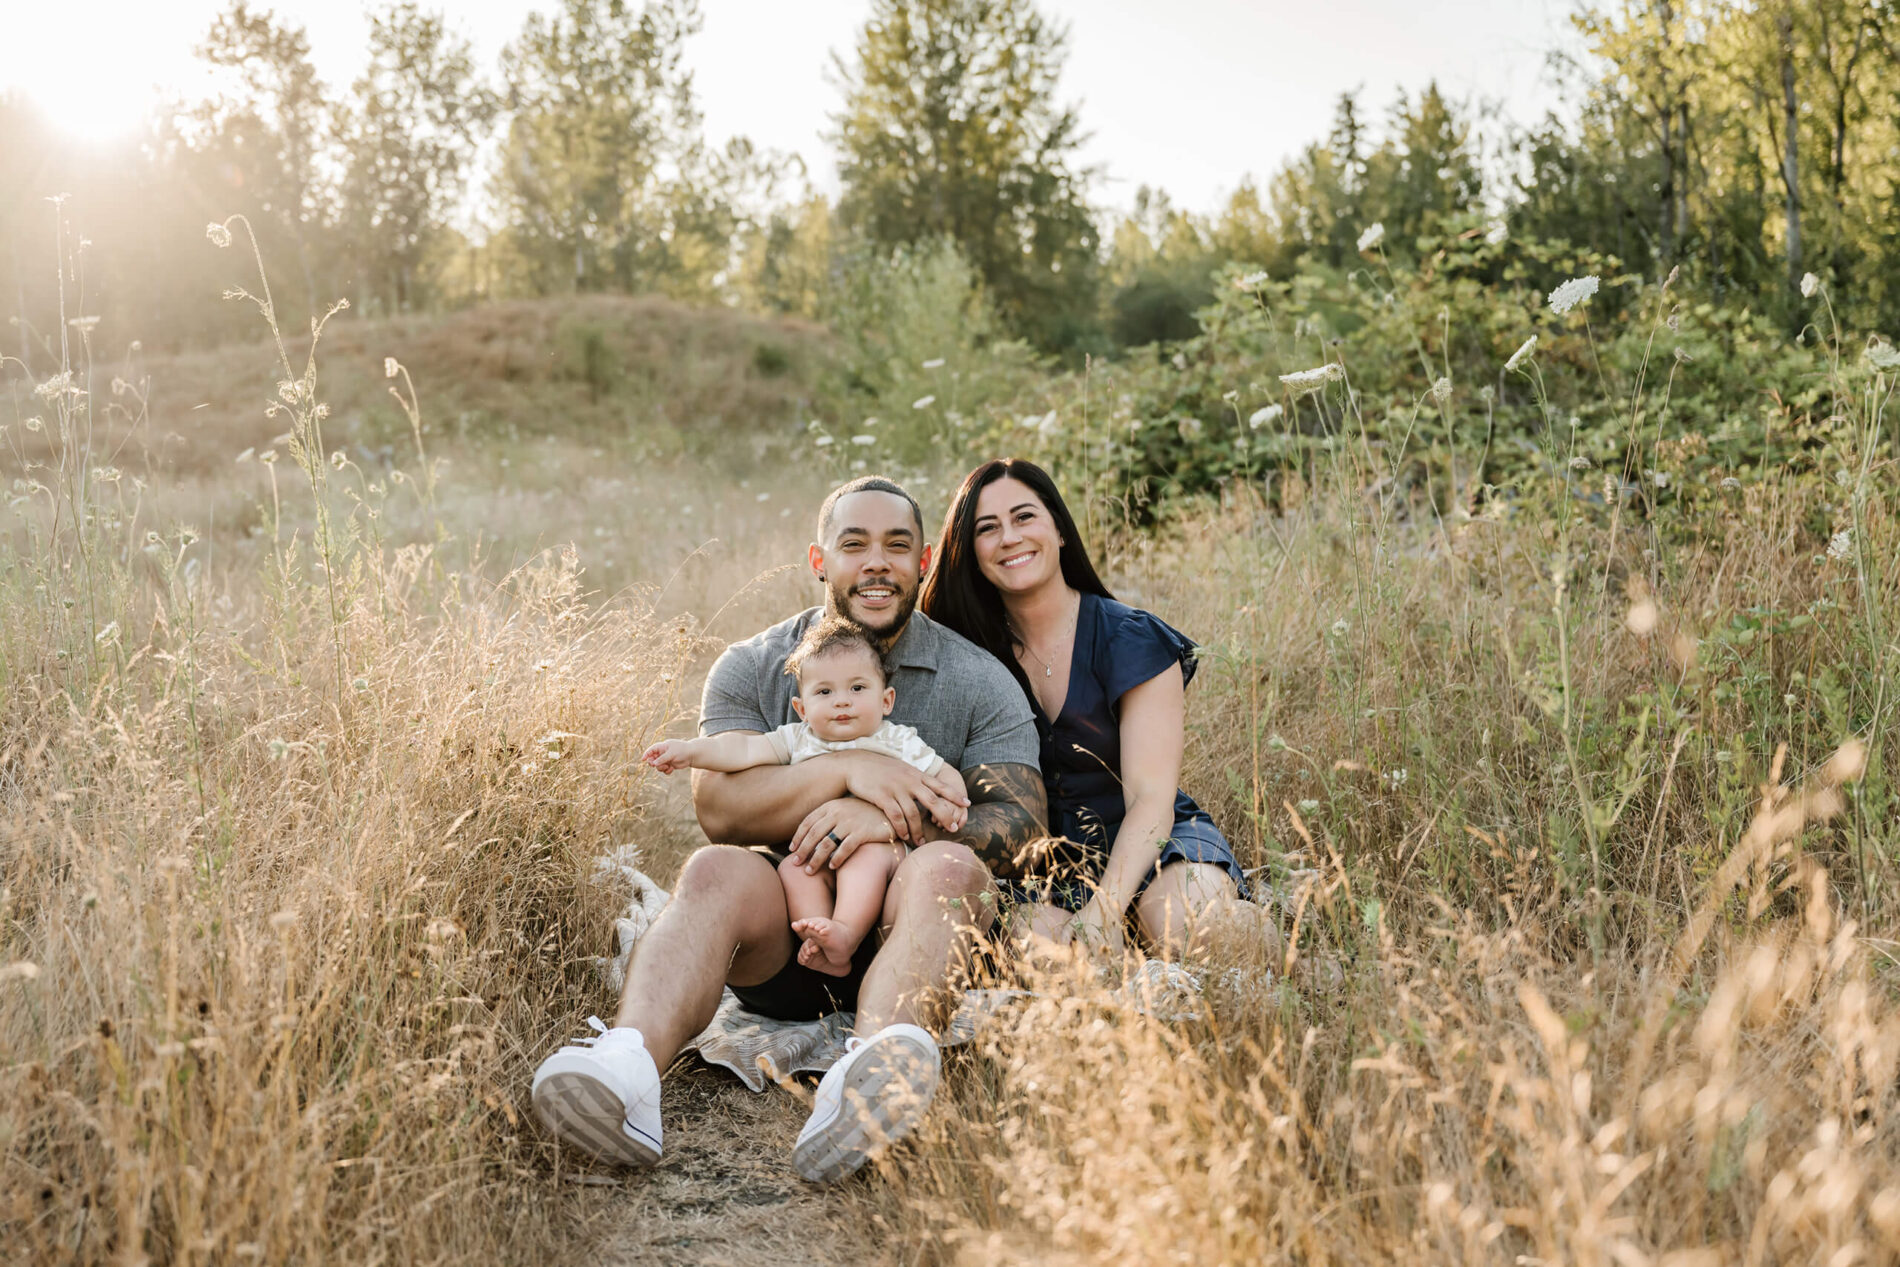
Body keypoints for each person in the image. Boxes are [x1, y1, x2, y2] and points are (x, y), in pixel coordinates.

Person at [531, 476, 1047, 1184]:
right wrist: (847, 772)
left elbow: (1021, 821)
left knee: (952, 872)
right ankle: (624, 1075)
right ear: (818, 559)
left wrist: (887, 815)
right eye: (854, 543)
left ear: (923, 562)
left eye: (898, 546)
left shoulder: (979, 676)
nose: (877, 563)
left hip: (914, 927)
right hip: (790, 939)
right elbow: (721, 806)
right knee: (712, 868)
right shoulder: (752, 664)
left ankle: (871, 1076)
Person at [919, 458, 1275, 963]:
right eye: (987, 528)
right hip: (1036, 869)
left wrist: (1106, 908)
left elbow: (1153, 799)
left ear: (1059, 530)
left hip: (1150, 842)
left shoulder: (1130, 639)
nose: (1009, 538)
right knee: (1056, 964)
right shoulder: (969, 654)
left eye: (1025, 517)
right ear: (970, 551)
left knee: (1192, 930)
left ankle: (1271, 945)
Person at [641, 616, 968, 977]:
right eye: (824, 692)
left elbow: (941, 773)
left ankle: (845, 931)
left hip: (882, 854)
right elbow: (743, 751)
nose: (842, 702)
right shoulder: (799, 738)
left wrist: (953, 803)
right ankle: (819, 935)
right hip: (817, 852)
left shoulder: (898, 741)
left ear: (886, 699)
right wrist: (691, 751)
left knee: (866, 857)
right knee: (793, 869)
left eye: (857, 688)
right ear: (802, 708)